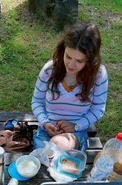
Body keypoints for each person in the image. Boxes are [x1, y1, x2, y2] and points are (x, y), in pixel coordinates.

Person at [32, 23, 108, 152]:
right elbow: (37, 101)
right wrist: (45, 123)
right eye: (68, 57)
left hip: (76, 133)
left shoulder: (98, 75)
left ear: (90, 60)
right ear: (63, 50)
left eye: (79, 61)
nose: (71, 65)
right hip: (47, 130)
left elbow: (98, 109)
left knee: (56, 148)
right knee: (44, 156)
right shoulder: (49, 70)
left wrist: (76, 126)